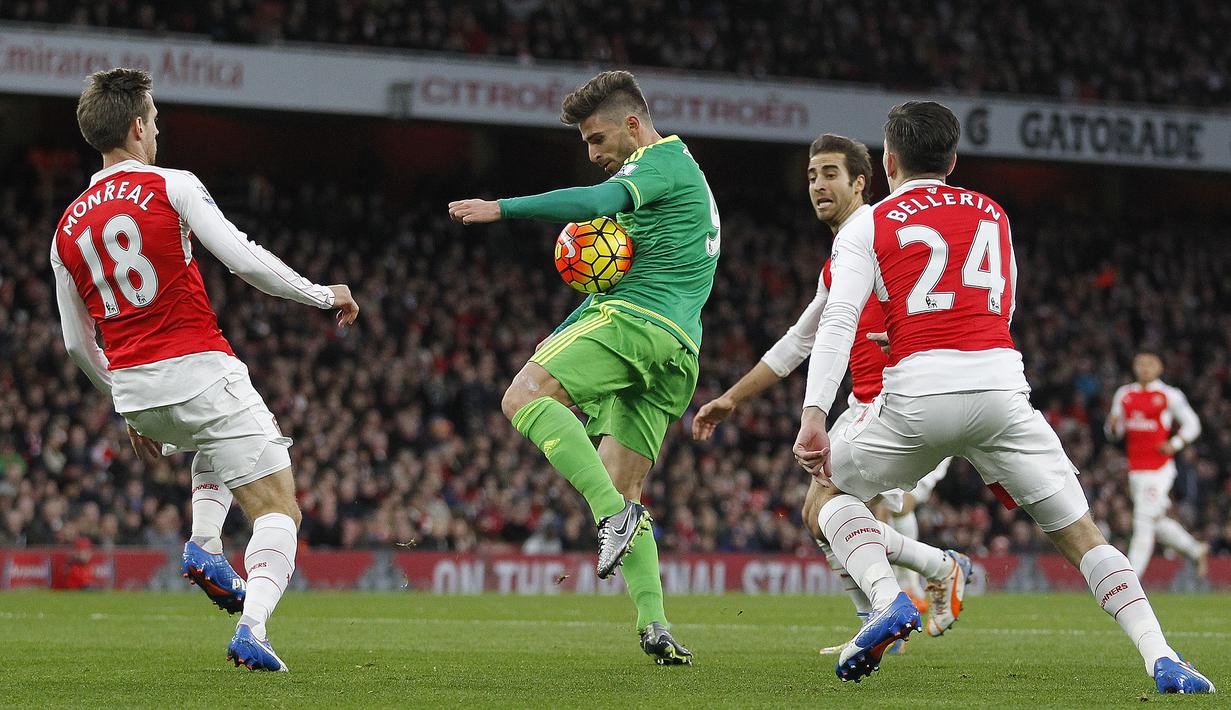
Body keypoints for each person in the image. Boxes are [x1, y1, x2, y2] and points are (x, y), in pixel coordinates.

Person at [792, 101, 1213, 693]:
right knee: (1084, 536)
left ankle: (888, 600)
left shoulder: (869, 223)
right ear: (952, 160)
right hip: (1001, 389)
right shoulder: (993, 212)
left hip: (918, 393)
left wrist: (815, 414)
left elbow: (840, 319)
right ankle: (1161, 655)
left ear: (887, 162)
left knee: (826, 498)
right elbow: (1001, 309)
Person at [51, 68, 359, 672]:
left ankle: (204, 545)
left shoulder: (64, 229)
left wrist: (121, 399)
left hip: (136, 395)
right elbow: (245, 261)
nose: (157, 131)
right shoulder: (173, 185)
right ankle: (252, 627)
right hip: (198, 368)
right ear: (137, 127)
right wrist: (325, 295)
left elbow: (75, 344)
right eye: (155, 121)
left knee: (211, 440)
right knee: (279, 510)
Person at [448, 70, 718, 665]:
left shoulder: (658, 163)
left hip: (636, 323)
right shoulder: (679, 175)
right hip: (677, 349)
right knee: (625, 484)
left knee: (522, 398)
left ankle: (611, 518)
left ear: (632, 124)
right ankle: (655, 624)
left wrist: (502, 208)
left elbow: (596, 204)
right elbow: (619, 273)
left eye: (597, 139)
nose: (593, 154)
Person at [691, 134, 967, 650]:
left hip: (903, 401)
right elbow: (800, 340)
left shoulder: (879, 231)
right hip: (869, 404)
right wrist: (732, 398)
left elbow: (942, 298)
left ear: (861, 182)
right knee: (820, 515)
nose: (818, 185)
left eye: (830, 174)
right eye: (812, 176)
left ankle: (912, 589)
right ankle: (906, 596)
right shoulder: (840, 257)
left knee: (840, 508)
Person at [1106, 352, 1208, 576]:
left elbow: (1193, 424)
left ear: (1160, 367)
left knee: (1142, 519)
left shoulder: (1169, 394)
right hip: (1135, 469)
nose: (1145, 367)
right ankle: (1195, 549)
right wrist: (1112, 427)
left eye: (1150, 363)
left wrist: (1175, 443)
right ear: (1134, 366)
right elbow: (1115, 432)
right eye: (1140, 363)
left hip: (1159, 469)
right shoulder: (1124, 394)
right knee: (1155, 521)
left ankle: (1130, 578)